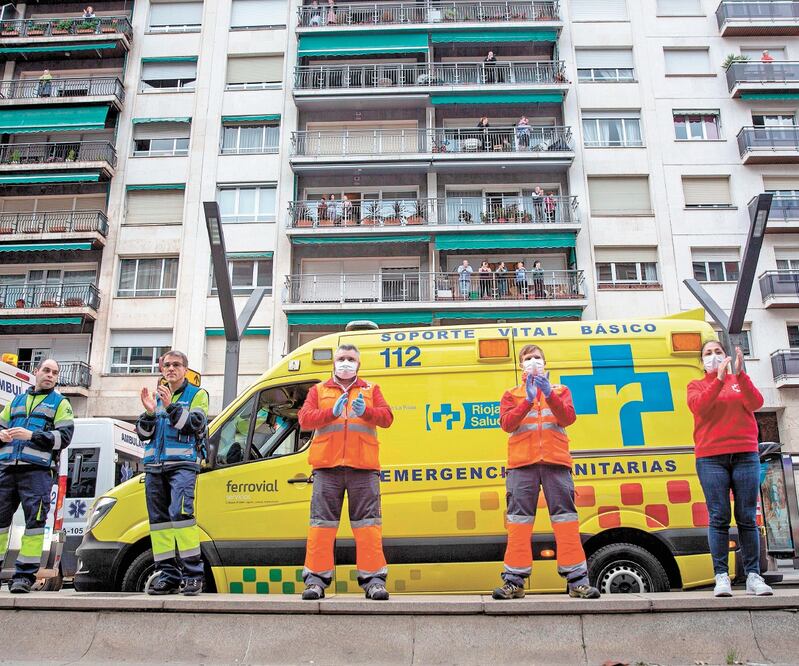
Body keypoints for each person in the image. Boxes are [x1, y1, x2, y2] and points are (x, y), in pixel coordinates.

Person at [492, 345, 600, 600]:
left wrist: (549, 394)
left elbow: (568, 418)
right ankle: (514, 582)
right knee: (518, 524)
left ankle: (578, 582)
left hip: (556, 463)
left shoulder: (561, 391)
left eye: (537, 357)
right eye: (528, 358)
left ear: (545, 362)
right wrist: (528, 401)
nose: (533, 361)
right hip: (522, 465)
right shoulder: (512, 394)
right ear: (521, 365)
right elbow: (507, 424)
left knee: (566, 522)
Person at [299, 344, 394, 600]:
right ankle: (315, 581)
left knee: (368, 527)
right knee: (321, 527)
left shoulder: (371, 389)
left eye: (351, 358)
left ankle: (374, 581)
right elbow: (305, 419)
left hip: (363, 468)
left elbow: (387, 418)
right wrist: (330, 413)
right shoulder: (318, 390)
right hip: (326, 469)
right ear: (334, 362)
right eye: (341, 358)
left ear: (358, 364)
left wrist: (367, 412)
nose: (345, 362)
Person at [687, 342, 773, 597]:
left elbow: (756, 402)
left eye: (718, 352)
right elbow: (699, 407)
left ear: (726, 356)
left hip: (745, 454)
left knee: (747, 518)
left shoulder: (739, 381)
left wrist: (741, 374)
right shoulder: (696, 385)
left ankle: (753, 576)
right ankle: (721, 576)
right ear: (701, 361)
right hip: (711, 458)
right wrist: (719, 380)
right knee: (719, 517)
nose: (713, 357)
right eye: (708, 353)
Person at [136, 350, 209, 597]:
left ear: (185, 370)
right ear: (162, 369)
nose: (171, 369)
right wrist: (149, 412)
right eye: (167, 365)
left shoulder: (197, 394)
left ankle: (193, 576)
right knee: (159, 525)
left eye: (176, 365)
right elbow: (143, 434)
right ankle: (168, 576)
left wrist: (169, 407)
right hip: (154, 468)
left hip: (183, 466)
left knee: (181, 516)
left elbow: (194, 424)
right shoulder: (157, 397)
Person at [0, 359, 73, 593]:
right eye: (46, 370)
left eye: (55, 372)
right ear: (36, 372)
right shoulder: (16, 401)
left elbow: (64, 438)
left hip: (37, 471)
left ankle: (23, 577)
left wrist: (31, 435)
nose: (50, 375)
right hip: (7, 468)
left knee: (35, 524)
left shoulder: (60, 403)